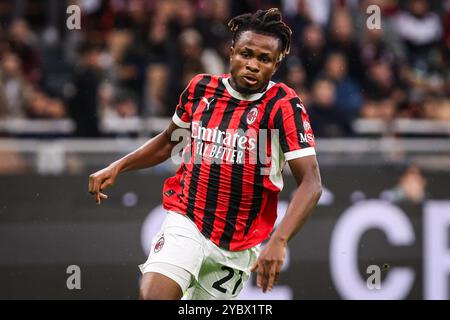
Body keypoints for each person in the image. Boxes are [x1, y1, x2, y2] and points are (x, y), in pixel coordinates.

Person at [88, 8, 322, 300]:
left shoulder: (283, 105)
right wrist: (118, 166)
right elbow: (168, 142)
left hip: (237, 246)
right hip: (188, 220)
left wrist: (279, 240)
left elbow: (311, 181)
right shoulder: (202, 89)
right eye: (246, 54)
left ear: (275, 65)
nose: (252, 65)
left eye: (264, 59)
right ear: (232, 52)